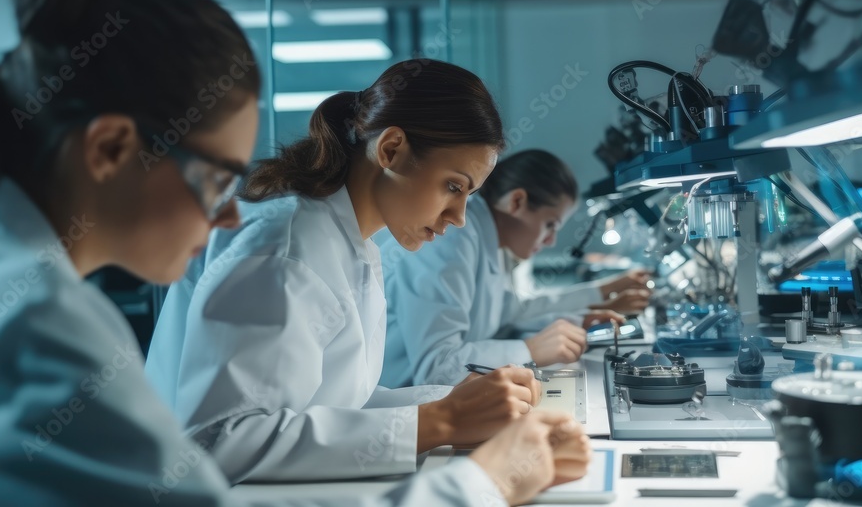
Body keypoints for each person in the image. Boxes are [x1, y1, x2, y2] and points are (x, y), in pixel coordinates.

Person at [0, 0, 586, 507]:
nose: (229, 219)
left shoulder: (7, 285)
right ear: (113, 149)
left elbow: (324, 408)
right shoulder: (38, 322)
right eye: (215, 180)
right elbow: (217, 447)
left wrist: (450, 405)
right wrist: (481, 478)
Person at [144, 59, 582, 490]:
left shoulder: (351, 242)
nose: (459, 218)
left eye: (469, 194)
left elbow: (334, 405)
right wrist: (442, 420)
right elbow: (219, 442)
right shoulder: (288, 249)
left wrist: (450, 402)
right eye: (453, 186)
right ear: (391, 149)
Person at [378, 150, 651, 387]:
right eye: (550, 224)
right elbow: (437, 368)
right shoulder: (453, 237)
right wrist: (529, 350)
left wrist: (582, 316)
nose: (551, 241)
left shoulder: (491, 239)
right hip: (404, 404)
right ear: (517, 202)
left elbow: (511, 312)